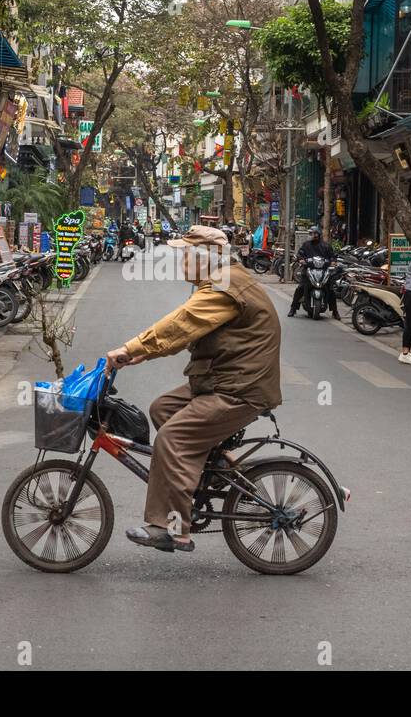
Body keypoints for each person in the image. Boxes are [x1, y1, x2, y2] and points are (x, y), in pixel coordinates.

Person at [106, 226, 281, 553]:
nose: (181, 260)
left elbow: (180, 324)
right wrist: (142, 354)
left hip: (238, 389)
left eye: (186, 254)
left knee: (172, 439)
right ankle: (210, 471)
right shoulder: (220, 280)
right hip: (223, 380)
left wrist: (130, 348)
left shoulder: (224, 286)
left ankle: (171, 529)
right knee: (162, 408)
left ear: (207, 257)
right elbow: (184, 334)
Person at [288, 226, 340, 319]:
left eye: (314, 234)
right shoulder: (306, 245)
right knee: (300, 288)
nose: (312, 236)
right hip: (309, 270)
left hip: (323, 271)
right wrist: (300, 259)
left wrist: (333, 261)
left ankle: (335, 311)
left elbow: (332, 256)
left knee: (331, 290)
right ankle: (293, 308)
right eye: (311, 234)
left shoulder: (326, 246)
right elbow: (300, 254)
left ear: (318, 234)